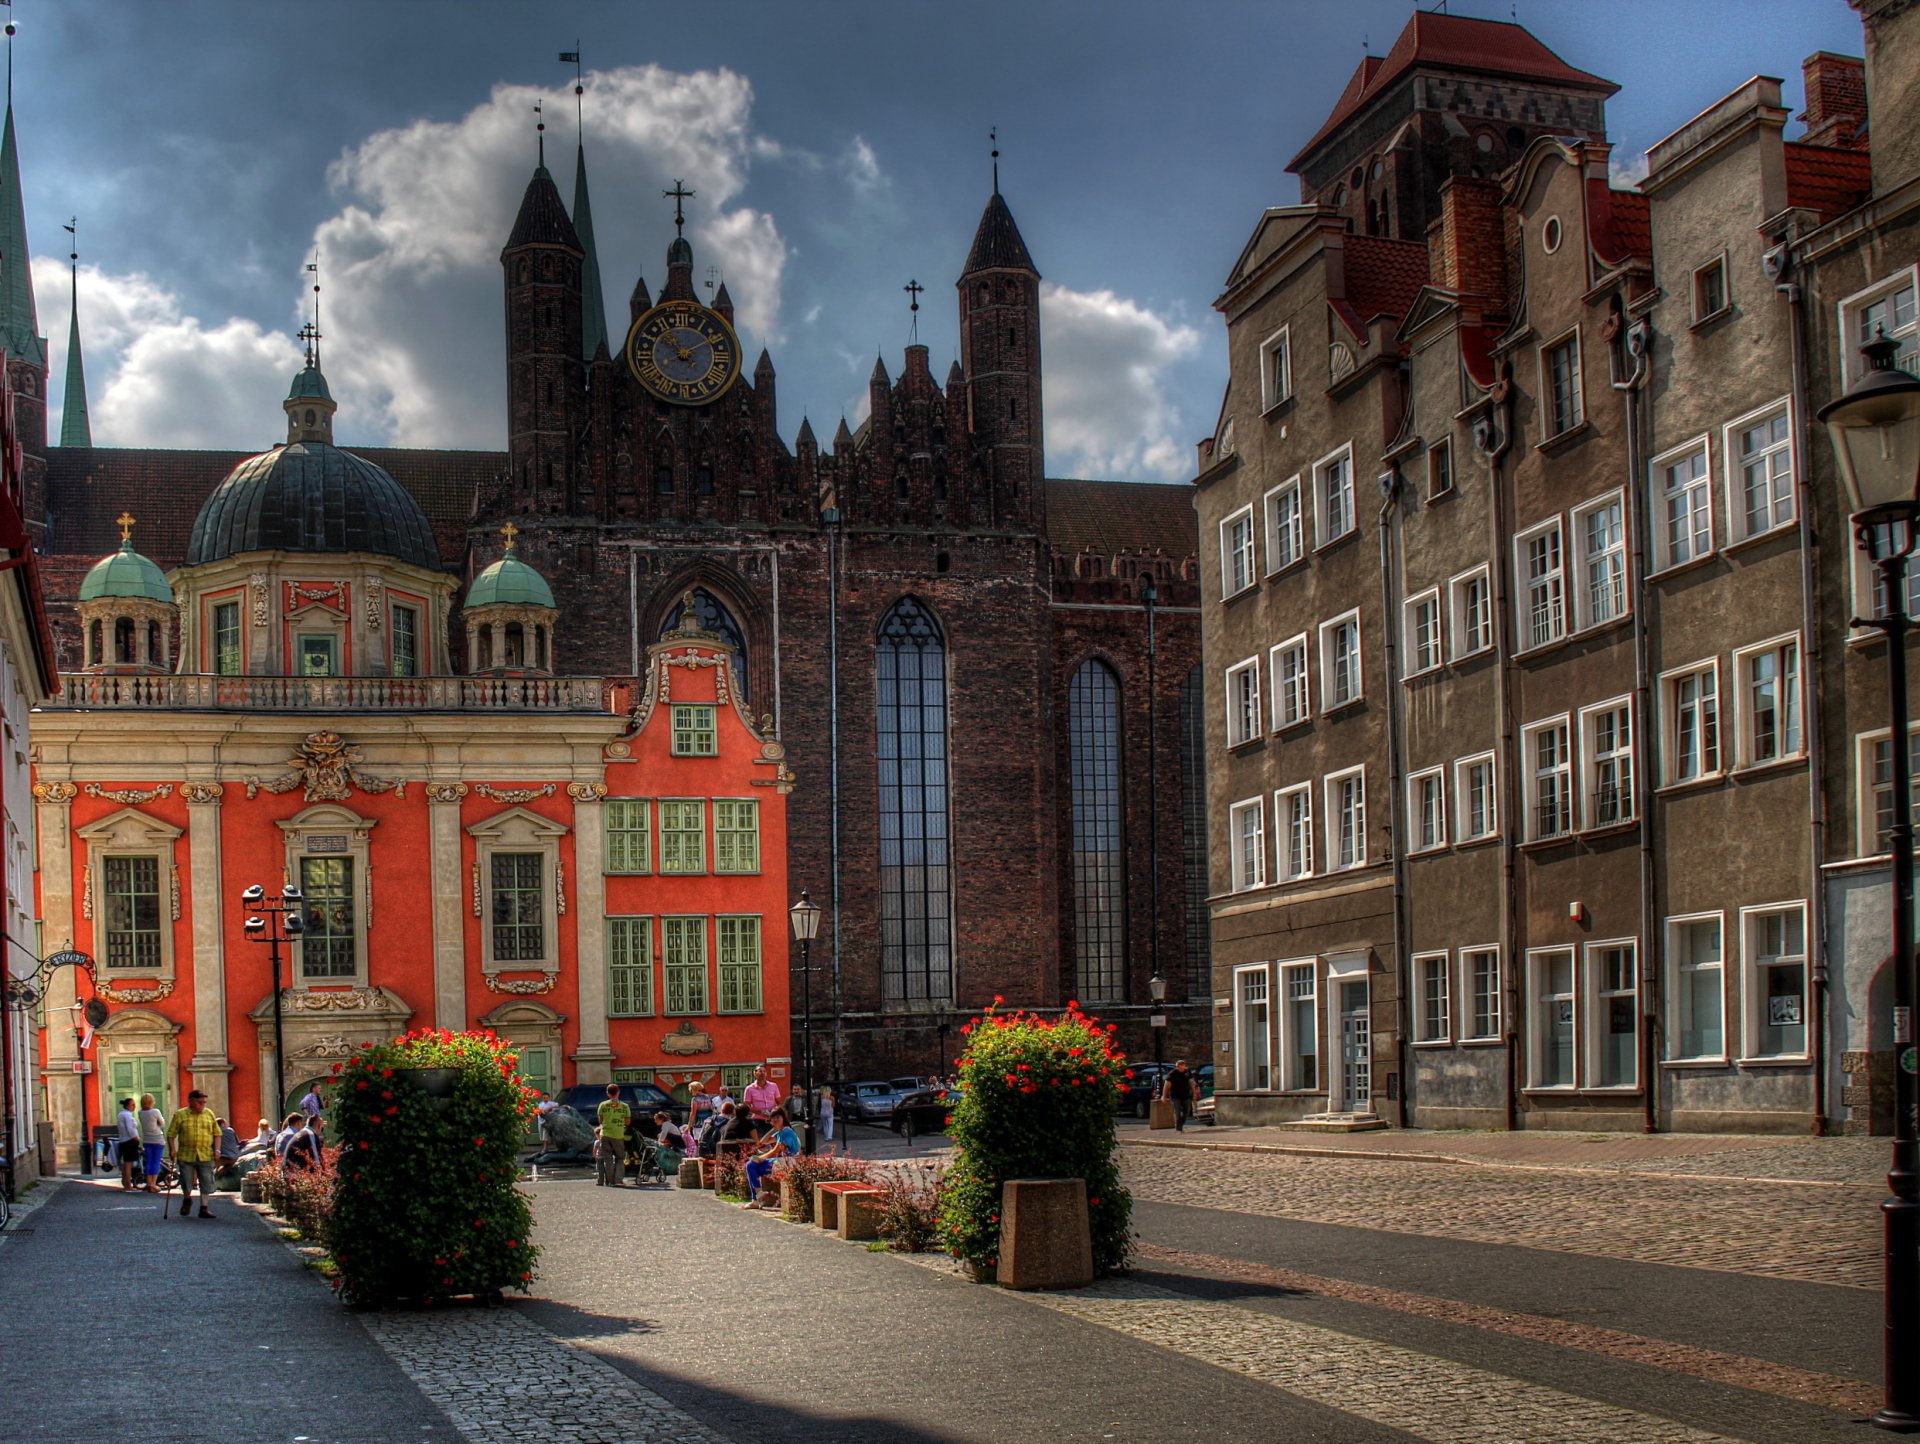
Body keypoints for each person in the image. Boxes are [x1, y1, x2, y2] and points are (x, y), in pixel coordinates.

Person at [165, 1089, 221, 1218]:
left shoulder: (209, 1114)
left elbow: (217, 1133)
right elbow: (171, 1134)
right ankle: (187, 1199)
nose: (202, 1105)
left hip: (206, 1154)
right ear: (190, 1102)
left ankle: (204, 1208)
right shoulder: (180, 1114)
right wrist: (172, 1149)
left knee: (206, 1181)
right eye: (199, 1102)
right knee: (186, 1180)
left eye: (204, 1102)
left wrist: (217, 1150)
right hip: (186, 1154)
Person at [744, 1108, 800, 1207]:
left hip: (786, 1163)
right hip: (779, 1161)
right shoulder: (780, 1132)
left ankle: (756, 1199)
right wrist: (774, 1129)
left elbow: (775, 1151)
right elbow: (764, 1141)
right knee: (750, 1165)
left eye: (777, 1117)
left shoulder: (787, 1132)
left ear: (783, 1118)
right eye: (772, 1118)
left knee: (751, 1166)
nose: (775, 1120)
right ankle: (758, 1196)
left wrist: (760, 1158)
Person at [595, 1084, 631, 1188]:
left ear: (607, 1093)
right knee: (620, 1157)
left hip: (605, 1134)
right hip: (618, 1134)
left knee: (608, 1158)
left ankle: (609, 1181)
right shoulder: (624, 1106)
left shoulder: (603, 1105)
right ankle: (618, 1180)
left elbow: (600, 1120)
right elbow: (628, 1122)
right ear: (618, 1092)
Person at [136, 1094, 167, 1192]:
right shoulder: (155, 1111)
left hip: (147, 1140)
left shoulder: (140, 1112)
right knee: (156, 1162)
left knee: (149, 1162)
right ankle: (153, 1184)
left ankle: (149, 1183)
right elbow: (162, 1123)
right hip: (158, 1139)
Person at [743, 1065, 781, 1136]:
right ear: (755, 1073)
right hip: (758, 1120)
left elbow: (779, 1102)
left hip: (772, 1120)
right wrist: (760, 1112)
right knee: (761, 1142)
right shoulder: (749, 1089)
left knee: (774, 1141)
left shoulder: (773, 1086)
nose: (762, 1073)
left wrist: (775, 1112)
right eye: (760, 1071)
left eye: (764, 1071)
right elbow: (747, 1106)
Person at [1162, 1059, 1197, 1132]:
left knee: (1186, 1112)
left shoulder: (1187, 1072)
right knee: (1177, 1112)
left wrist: (1194, 1094)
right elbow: (1166, 1085)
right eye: (1179, 1067)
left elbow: (1192, 1083)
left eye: (1182, 1066)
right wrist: (1164, 1096)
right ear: (1177, 1067)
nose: (1181, 1068)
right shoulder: (1172, 1073)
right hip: (1175, 1095)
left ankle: (1181, 1124)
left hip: (1186, 1095)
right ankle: (1179, 1128)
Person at [115, 1097, 141, 1190]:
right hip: (129, 1141)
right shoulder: (127, 1115)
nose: (134, 1106)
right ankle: (128, 1185)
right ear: (127, 1106)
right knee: (128, 1164)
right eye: (132, 1105)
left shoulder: (121, 1114)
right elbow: (130, 1129)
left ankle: (126, 1184)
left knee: (126, 1164)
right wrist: (136, 1138)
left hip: (123, 1141)